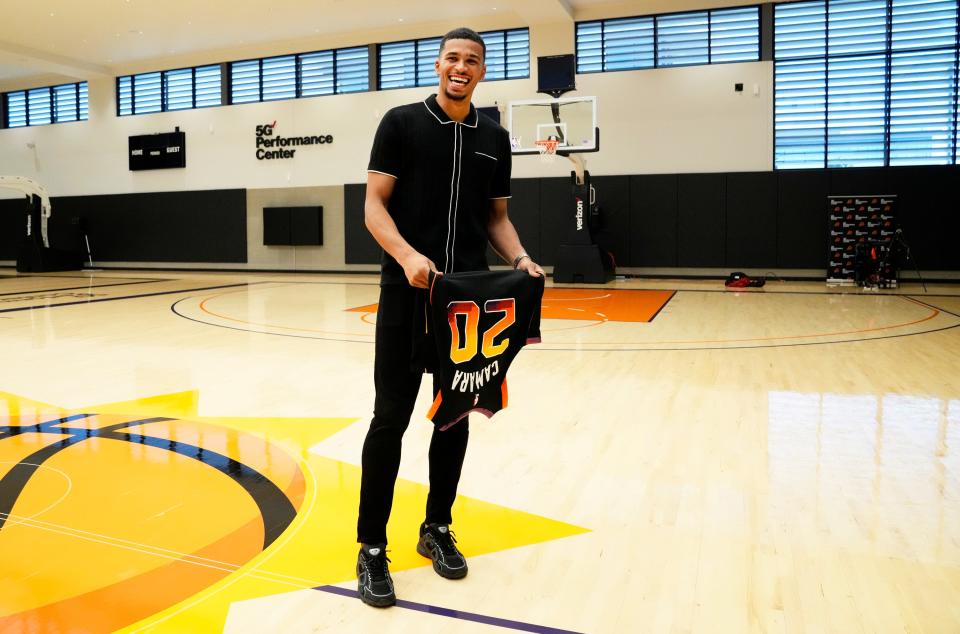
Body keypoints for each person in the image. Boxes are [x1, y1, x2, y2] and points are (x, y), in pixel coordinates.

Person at [356, 26, 544, 608]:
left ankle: (436, 528)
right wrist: (408, 256)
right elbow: (373, 206)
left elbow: (496, 218)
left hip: (467, 304)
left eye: (473, 61)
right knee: (390, 418)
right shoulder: (401, 123)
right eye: (453, 58)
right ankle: (370, 548)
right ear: (438, 66)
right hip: (406, 292)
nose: (461, 67)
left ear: (482, 72)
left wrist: (520, 257)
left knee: (453, 417)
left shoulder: (494, 136)